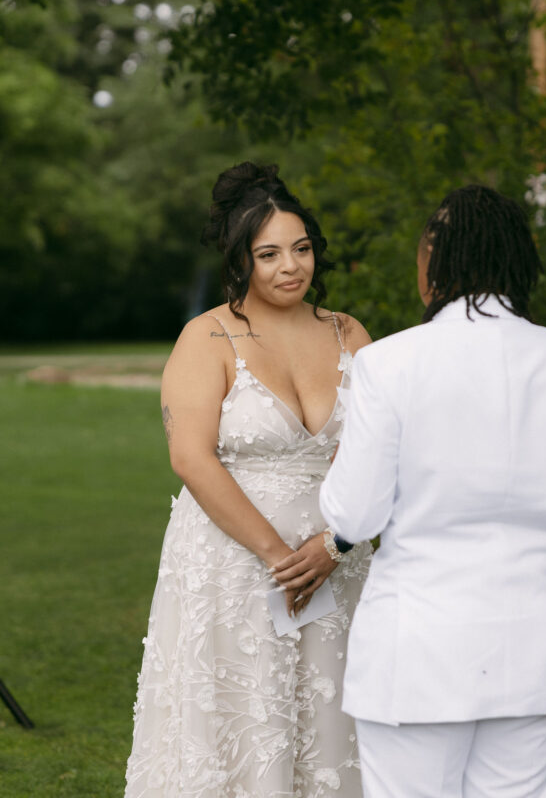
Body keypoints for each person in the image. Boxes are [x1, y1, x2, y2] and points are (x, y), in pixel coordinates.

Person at [319, 184, 546, 798]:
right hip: (536, 647)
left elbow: (356, 511)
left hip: (420, 649)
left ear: (435, 257)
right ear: (518, 258)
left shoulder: (391, 363)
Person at [125, 162, 373, 798]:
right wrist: (282, 560)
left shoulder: (348, 333)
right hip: (235, 563)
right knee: (244, 718)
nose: (291, 266)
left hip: (338, 560)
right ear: (240, 260)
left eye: (301, 248)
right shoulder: (206, 337)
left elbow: (379, 447)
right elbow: (191, 458)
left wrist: (331, 547)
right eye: (269, 254)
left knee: (330, 717)